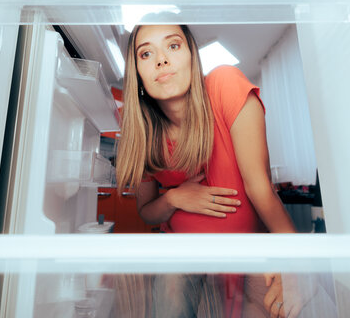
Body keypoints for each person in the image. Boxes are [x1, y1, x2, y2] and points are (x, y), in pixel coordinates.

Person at [116, 24, 299, 318]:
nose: (161, 59)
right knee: (170, 295)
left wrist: (296, 263)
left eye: (173, 46)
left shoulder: (224, 84)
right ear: (137, 72)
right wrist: (175, 198)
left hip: (250, 248)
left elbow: (260, 187)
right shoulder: (142, 131)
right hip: (182, 252)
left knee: (282, 305)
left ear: (192, 56)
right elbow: (147, 212)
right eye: (146, 53)